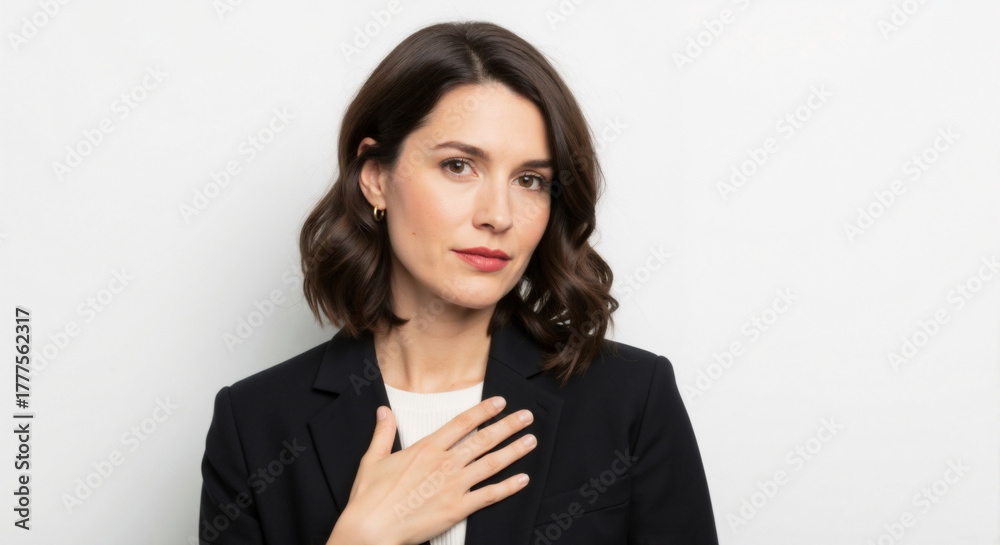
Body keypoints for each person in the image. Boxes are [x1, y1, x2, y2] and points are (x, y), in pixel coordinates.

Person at [198, 20, 719, 545]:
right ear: (376, 178)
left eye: (530, 180)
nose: (498, 215)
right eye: (458, 165)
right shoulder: (254, 425)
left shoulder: (630, 398)